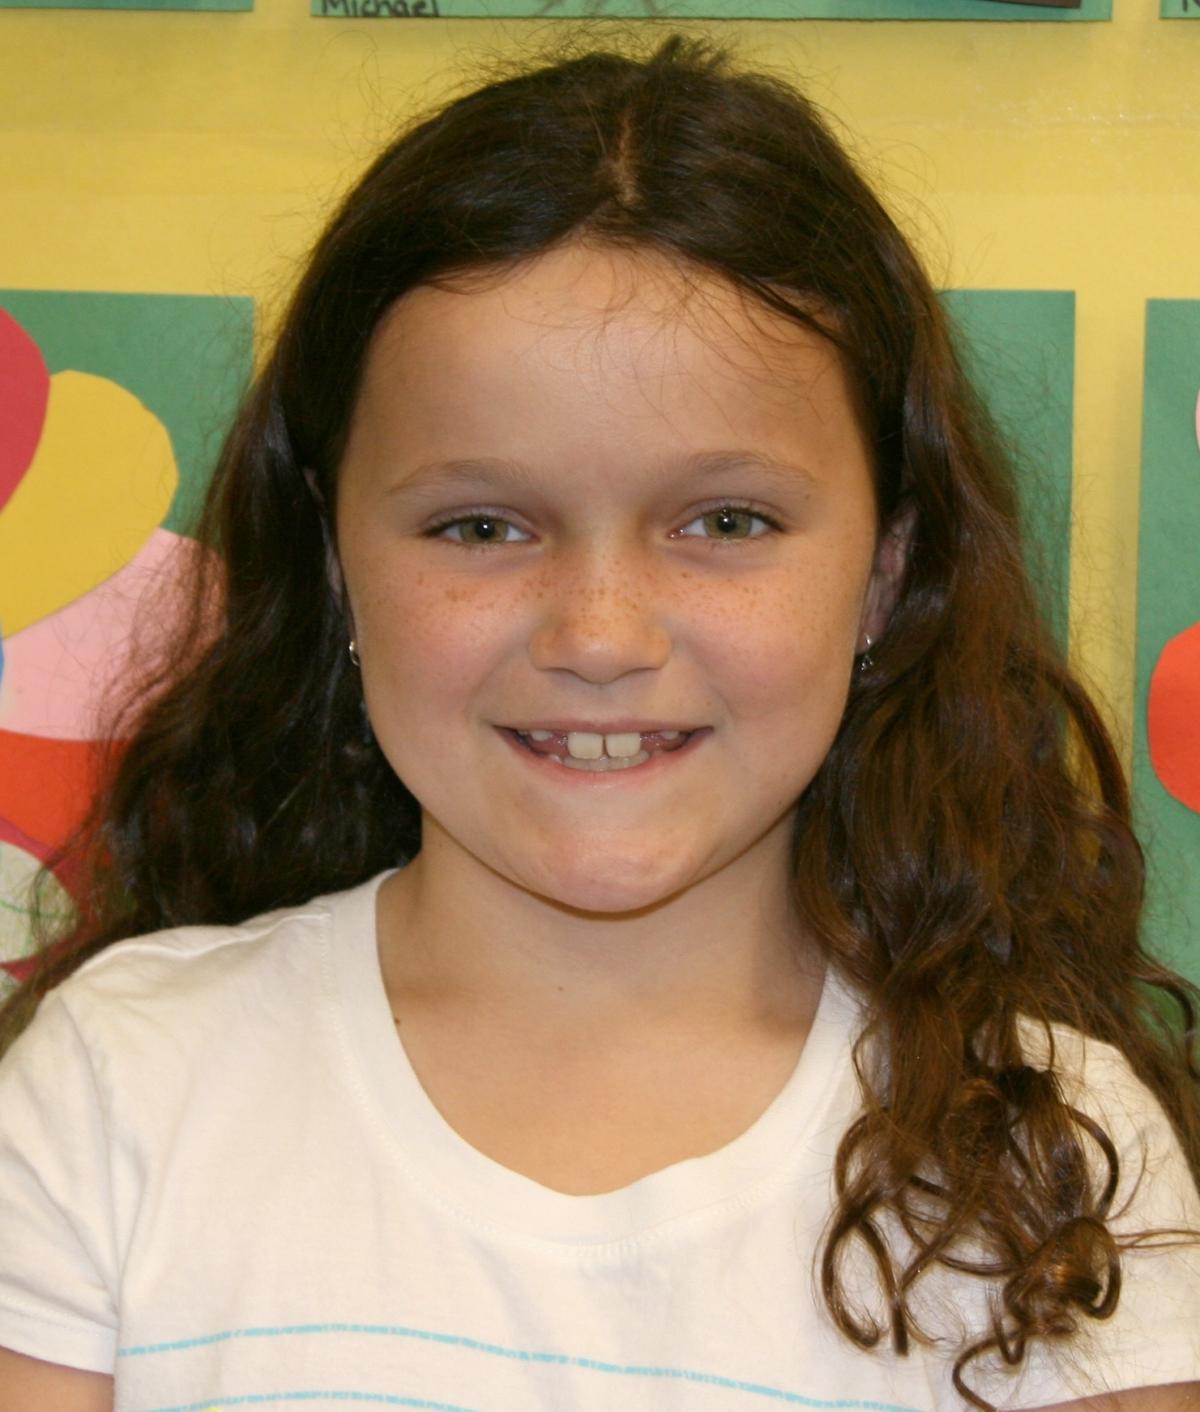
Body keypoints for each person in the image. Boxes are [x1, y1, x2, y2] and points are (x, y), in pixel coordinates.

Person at [0, 32, 1197, 1412]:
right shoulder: (116, 1094)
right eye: (482, 526)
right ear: (335, 565)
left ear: (887, 571)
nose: (600, 635)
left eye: (726, 522)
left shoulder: (1053, 1162)